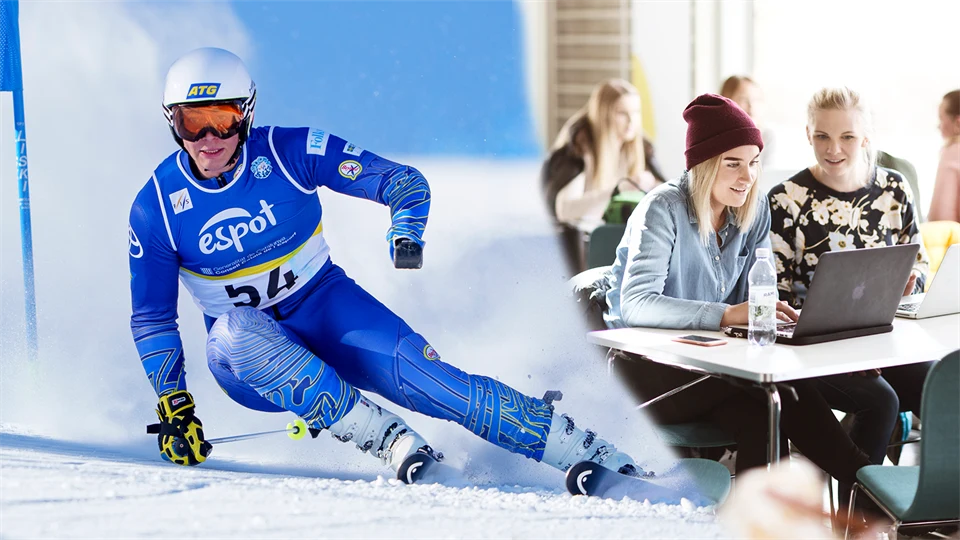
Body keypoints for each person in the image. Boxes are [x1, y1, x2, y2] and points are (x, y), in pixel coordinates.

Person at [128, 47, 638, 479]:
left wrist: (405, 232)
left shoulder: (290, 151)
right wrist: (174, 404)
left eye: (220, 119)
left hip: (328, 310)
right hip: (247, 361)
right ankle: (389, 441)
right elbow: (152, 318)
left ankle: (593, 457)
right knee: (236, 329)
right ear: (172, 124)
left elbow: (403, 181)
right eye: (191, 123)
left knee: (440, 386)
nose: (207, 139)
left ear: (247, 113)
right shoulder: (156, 207)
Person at [603, 93, 873, 482]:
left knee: (768, 416)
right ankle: (865, 485)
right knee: (782, 396)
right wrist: (728, 315)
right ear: (704, 164)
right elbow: (636, 304)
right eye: (733, 165)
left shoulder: (753, 207)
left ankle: (768, 522)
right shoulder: (663, 208)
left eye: (753, 163)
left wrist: (778, 322)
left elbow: (758, 295)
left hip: (714, 367)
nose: (747, 178)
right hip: (646, 371)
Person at [767, 86, 934, 503]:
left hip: (885, 340)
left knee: (943, 384)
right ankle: (860, 520)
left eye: (847, 137)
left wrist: (910, 280)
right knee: (879, 401)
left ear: (866, 138)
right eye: (822, 136)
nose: (834, 148)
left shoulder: (894, 189)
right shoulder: (786, 200)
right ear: (808, 135)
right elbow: (775, 295)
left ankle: (928, 505)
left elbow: (920, 261)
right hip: (814, 349)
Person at [541, 79, 666, 275]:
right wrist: (619, 189)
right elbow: (564, 210)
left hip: (615, 242)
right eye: (622, 113)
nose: (632, 121)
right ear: (604, 115)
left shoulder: (642, 148)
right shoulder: (578, 148)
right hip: (581, 248)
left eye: (635, 113)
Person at [719, 75, 774, 167]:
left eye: (756, 99)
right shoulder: (716, 137)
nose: (751, 105)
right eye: (743, 99)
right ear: (726, 100)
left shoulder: (767, 136)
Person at [927, 89, 960, 223]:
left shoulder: (953, 153)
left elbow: (940, 219)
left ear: (958, 123)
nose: (938, 126)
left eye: (941, 118)